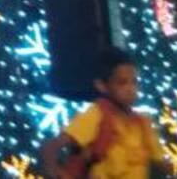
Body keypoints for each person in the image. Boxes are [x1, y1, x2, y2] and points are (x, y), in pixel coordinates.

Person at [40, 47, 167, 178]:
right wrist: (58, 173)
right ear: (102, 85)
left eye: (134, 82)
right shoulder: (97, 115)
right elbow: (50, 148)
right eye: (122, 83)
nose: (131, 89)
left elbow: (161, 164)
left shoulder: (143, 122)